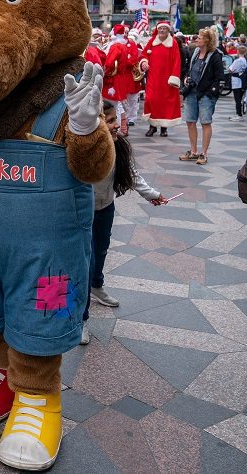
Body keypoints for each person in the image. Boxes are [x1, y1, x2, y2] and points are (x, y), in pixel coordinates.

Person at [81, 101, 167, 344]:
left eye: (116, 120)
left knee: (101, 249)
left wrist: (153, 195)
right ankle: (82, 319)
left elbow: (132, 175)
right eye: (109, 121)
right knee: (87, 261)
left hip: (105, 207)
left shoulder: (119, 146)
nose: (116, 126)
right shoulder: (83, 149)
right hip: (81, 213)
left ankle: (97, 286)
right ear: (96, 124)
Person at [179, 28, 224, 166]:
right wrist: (187, 79)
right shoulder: (195, 52)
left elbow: (219, 77)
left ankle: (204, 153)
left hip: (206, 94)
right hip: (192, 92)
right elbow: (189, 69)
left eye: (200, 37)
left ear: (207, 40)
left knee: (205, 122)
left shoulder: (215, 55)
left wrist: (211, 93)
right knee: (190, 121)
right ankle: (193, 152)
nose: (197, 39)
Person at [141, 21, 182, 137]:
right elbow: (144, 54)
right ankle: (152, 126)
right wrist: (144, 62)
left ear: (168, 31)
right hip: (153, 78)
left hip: (167, 79)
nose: (162, 31)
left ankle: (164, 128)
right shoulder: (152, 42)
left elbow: (177, 61)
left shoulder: (173, 43)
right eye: (160, 29)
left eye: (164, 29)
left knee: (165, 102)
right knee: (152, 100)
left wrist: (174, 77)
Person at [103, 24, 135, 136]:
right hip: (119, 81)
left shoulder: (115, 46)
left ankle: (115, 133)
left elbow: (109, 63)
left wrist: (103, 73)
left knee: (112, 108)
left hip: (112, 82)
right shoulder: (123, 46)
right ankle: (119, 131)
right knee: (116, 106)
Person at [228, 45, 247, 121]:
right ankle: (239, 114)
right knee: (239, 98)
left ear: (238, 51)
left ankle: (239, 115)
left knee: (237, 99)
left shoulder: (238, 60)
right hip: (241, 80)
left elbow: (230, 69)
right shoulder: (244, 60)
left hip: (236, 81)